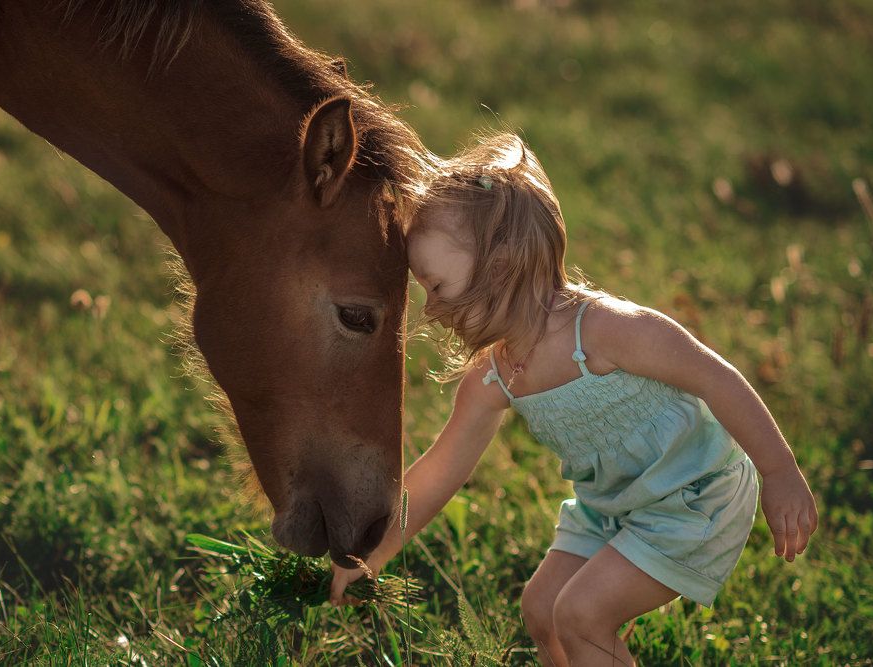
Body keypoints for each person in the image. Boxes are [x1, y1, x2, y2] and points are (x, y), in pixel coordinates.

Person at [328, 133, 818, 666]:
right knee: (542, 608)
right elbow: (438, 472)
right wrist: (369, 553)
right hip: (613, 506)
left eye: (439, 287)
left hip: (692, 496)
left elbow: (714, 377)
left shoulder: (606, 332)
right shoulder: (494, 377)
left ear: (501, 265)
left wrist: (780, 471)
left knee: (581, 615)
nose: (430, 311)